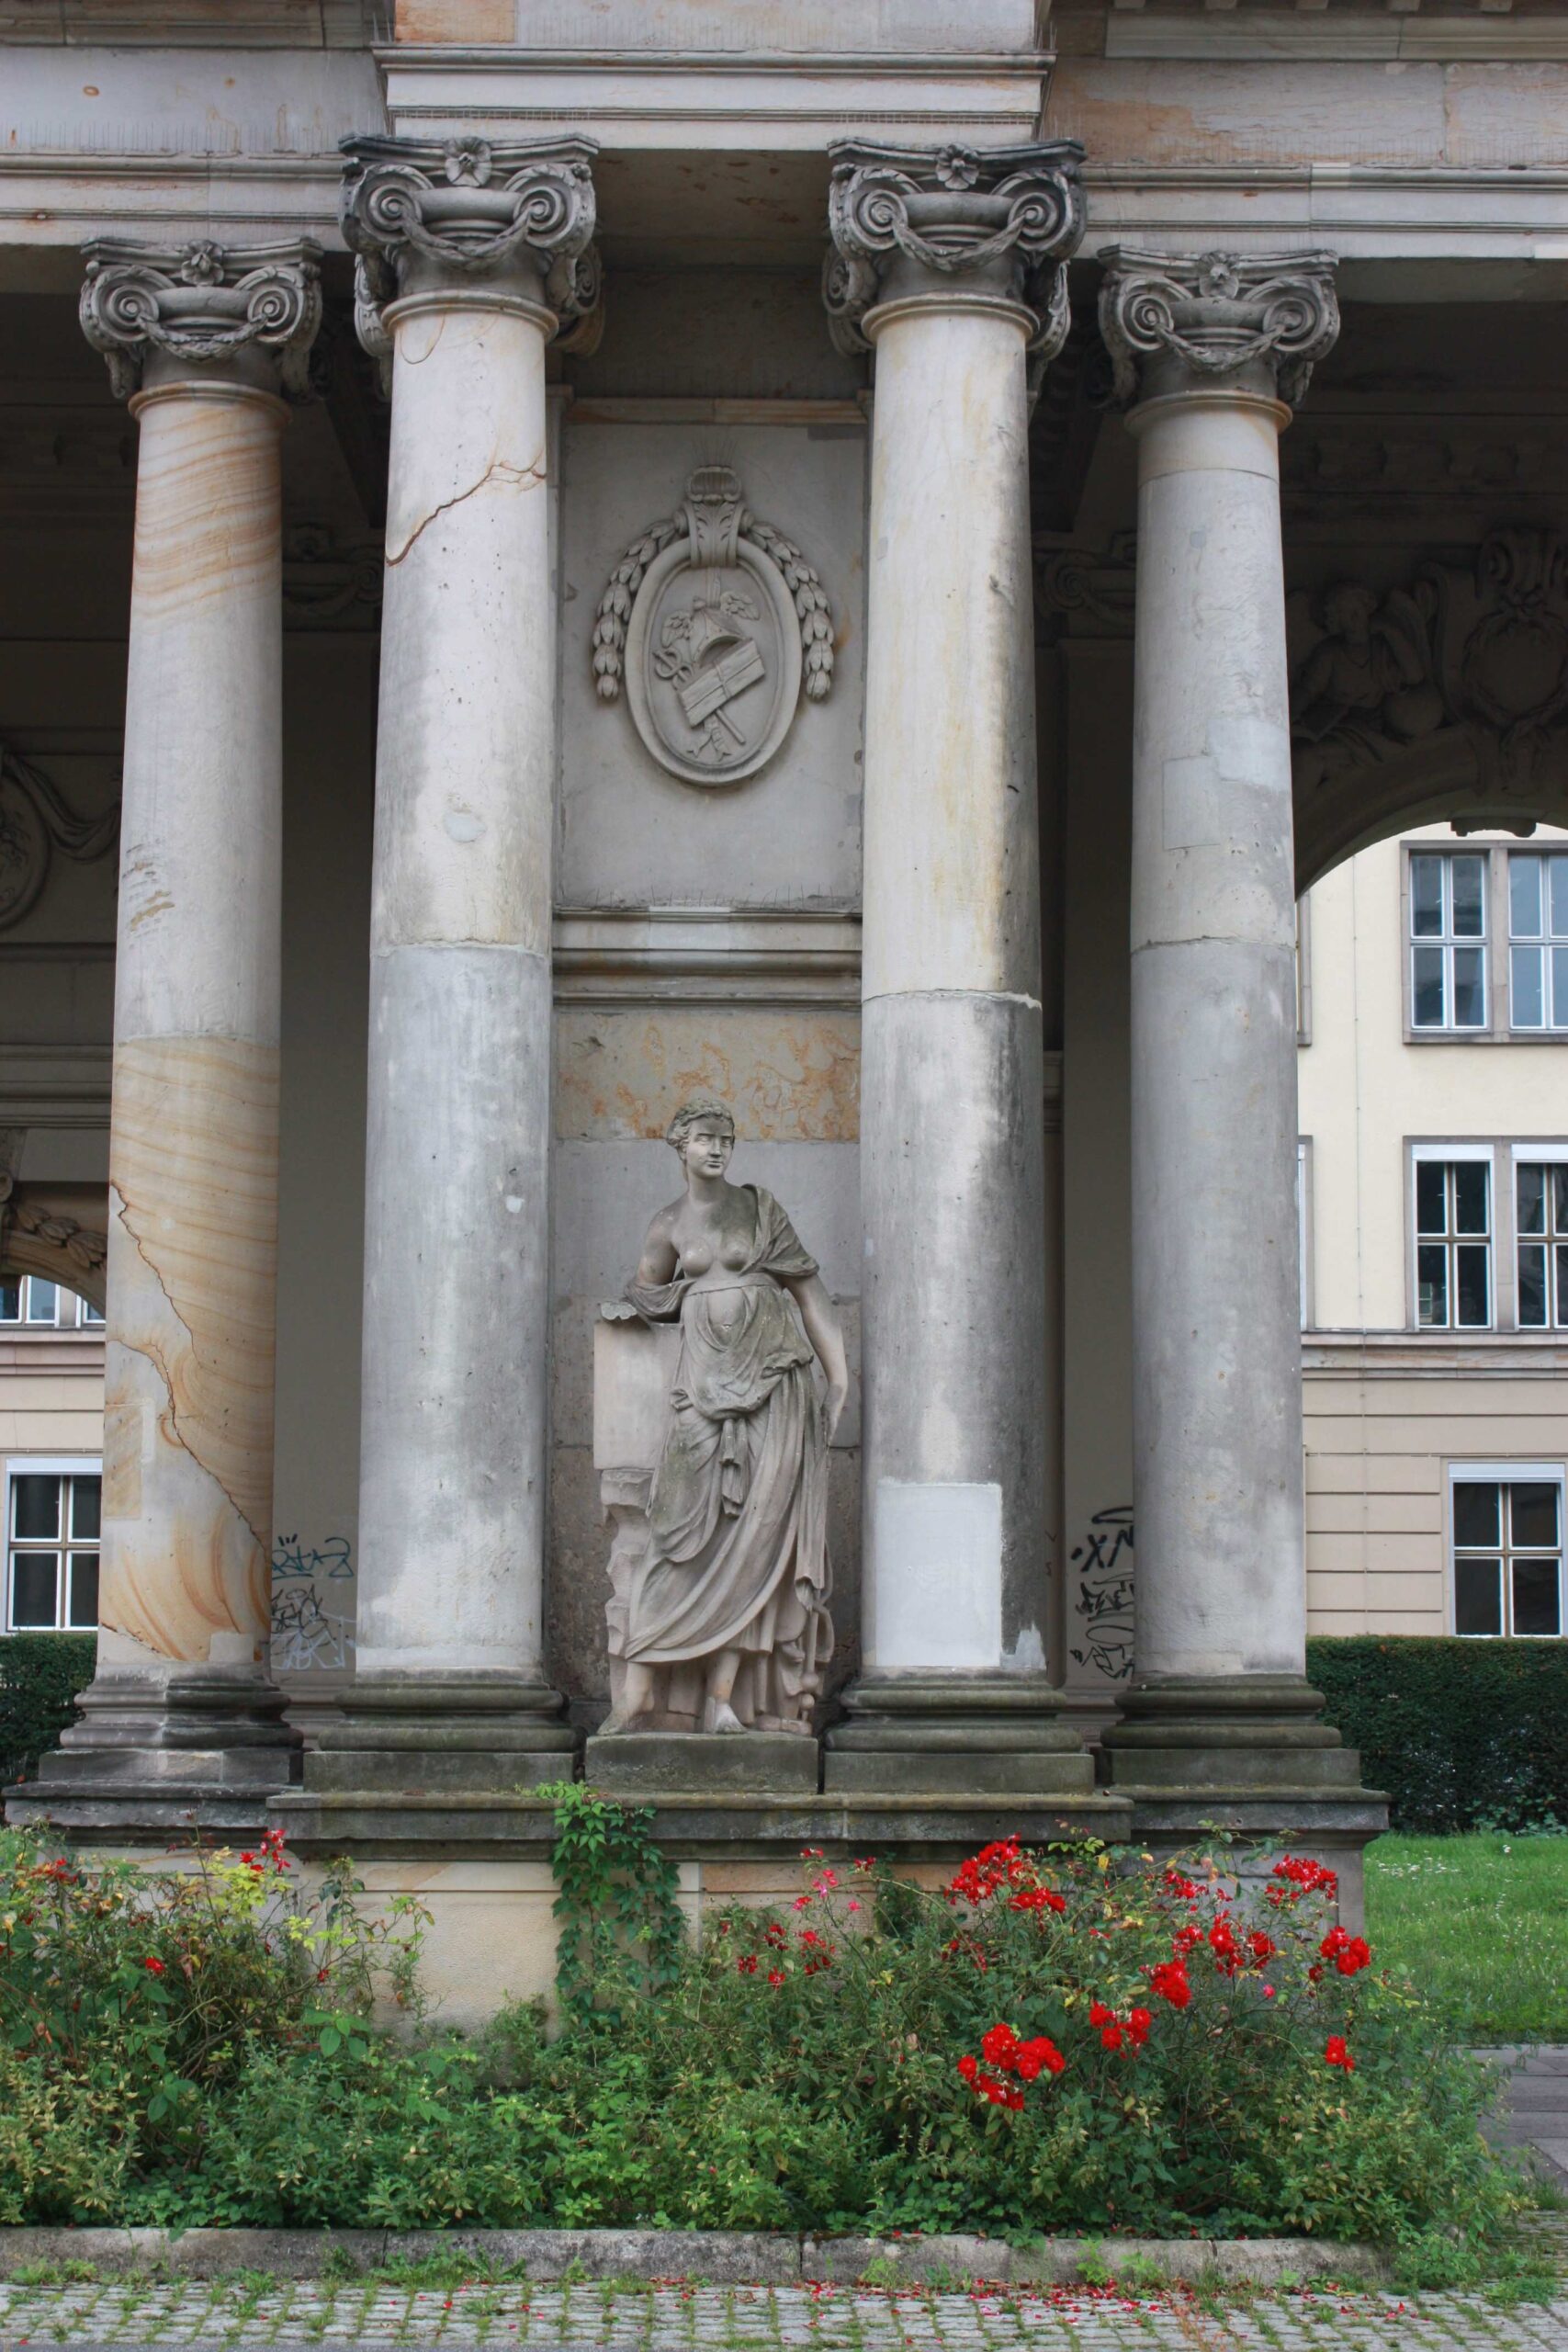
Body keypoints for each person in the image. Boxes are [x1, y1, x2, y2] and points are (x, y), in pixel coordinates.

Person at [602, 1098, 847, 1736]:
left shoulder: (760, 1210)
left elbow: (809, 1294)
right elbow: (645, 1291)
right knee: (674, 1535)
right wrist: (653, 1304)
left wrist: (839, 1375)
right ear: (679, 1145)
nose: (717, 1149)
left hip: (773, 1384)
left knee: (753, 1544)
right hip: (701, 1389)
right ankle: (639, 1689)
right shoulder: (666, 1224)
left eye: (726, 1140)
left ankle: (721, 1701)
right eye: (706, 1138)